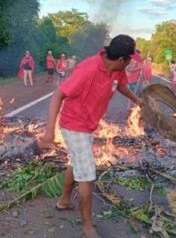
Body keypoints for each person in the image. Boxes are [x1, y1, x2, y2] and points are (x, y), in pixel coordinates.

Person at [39, 34, 142, 238]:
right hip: (73, 124)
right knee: (87, 175)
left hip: (88, 125)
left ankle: (64, 200)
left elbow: (121, 86)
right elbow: (58, 94)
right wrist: (49, 131)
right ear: (123, 59)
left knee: (76, 162)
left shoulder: (117, 70)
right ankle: (87, 228)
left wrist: (137, 100)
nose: (131, 62)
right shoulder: (88, 69)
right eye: (130, 59)